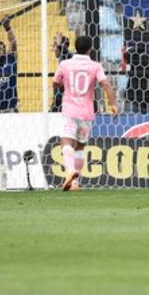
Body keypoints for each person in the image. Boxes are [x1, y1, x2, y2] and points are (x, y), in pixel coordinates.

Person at [53, 35, 119, 190]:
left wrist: (64, 83)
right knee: (80, 146)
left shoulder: (65, 64)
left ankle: (70, 172)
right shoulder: (95, 66)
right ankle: (74, 183)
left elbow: (55, 83)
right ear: (90, 49)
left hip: (70, 110)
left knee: (66, 143)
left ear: (75, 47)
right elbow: (106, 85)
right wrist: (113, 105)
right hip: (87, 113)